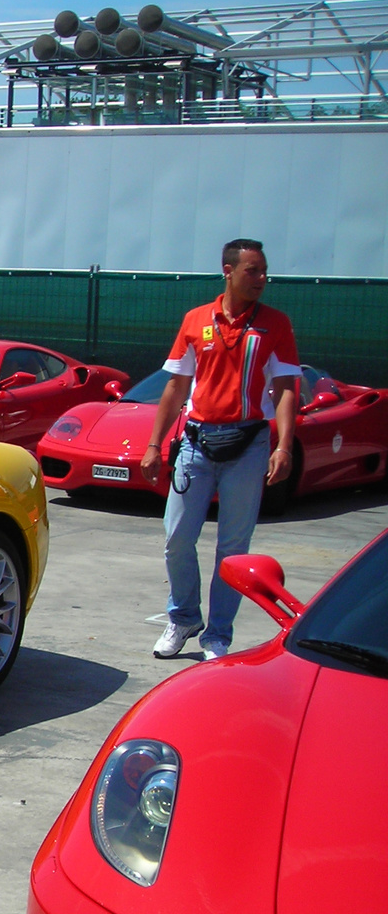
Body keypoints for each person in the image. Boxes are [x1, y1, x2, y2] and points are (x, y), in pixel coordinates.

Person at [140, 238, 299, 661]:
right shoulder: (196, 320)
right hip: (196, 441)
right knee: (176, 538)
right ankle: (184, 617)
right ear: (227, 271)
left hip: (249, 443)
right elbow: (176, 386)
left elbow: (285, 389)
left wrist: (283, 446)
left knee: (233, 547)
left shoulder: (276, 324)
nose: (262, 279)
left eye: (265, 271)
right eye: (253, 271)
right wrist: (154, 445)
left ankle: (218, 636)